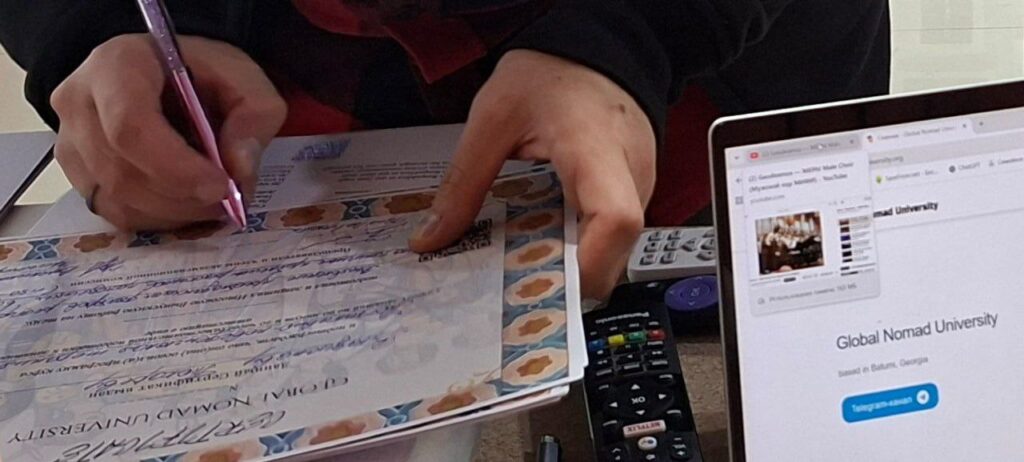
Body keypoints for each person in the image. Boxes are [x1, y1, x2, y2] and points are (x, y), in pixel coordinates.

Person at [0, 1, 891, 298]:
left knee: (782, 321)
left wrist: (632, 34)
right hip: (275, 103)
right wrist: (92, 28)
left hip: (719, 85)